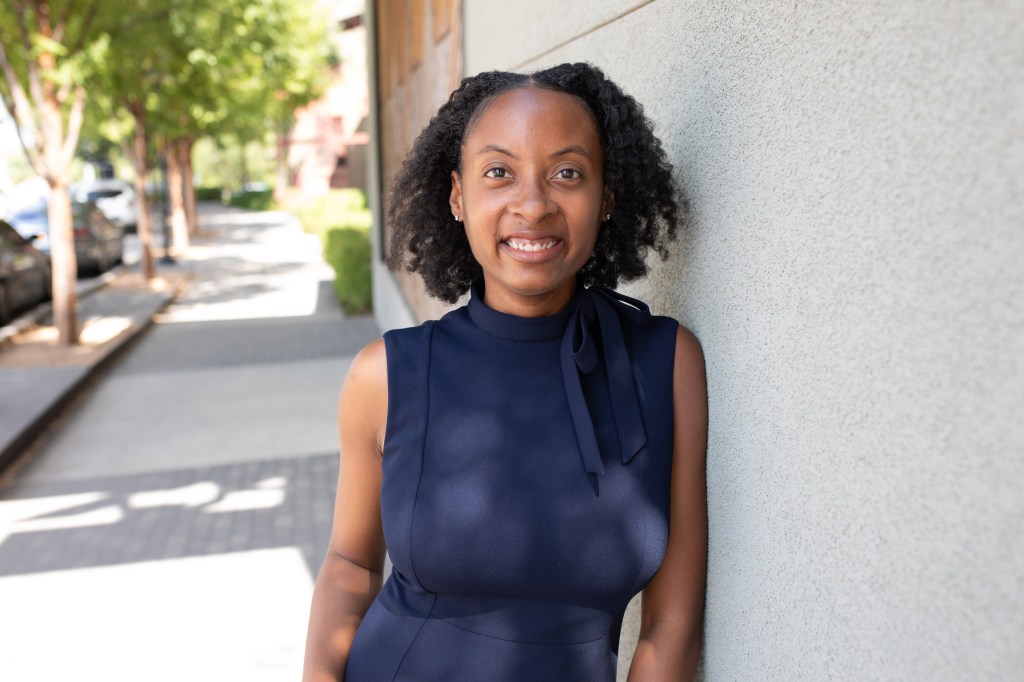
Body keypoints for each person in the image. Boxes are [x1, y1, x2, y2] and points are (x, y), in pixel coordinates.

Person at [302, 62, 708, 682]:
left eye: (567, 173)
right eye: (500, 172)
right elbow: (350, 563)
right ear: (458, 197)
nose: (533, 203)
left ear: (607, 200)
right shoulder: (386, 374)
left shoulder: (666, 363)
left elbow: (671, 625)